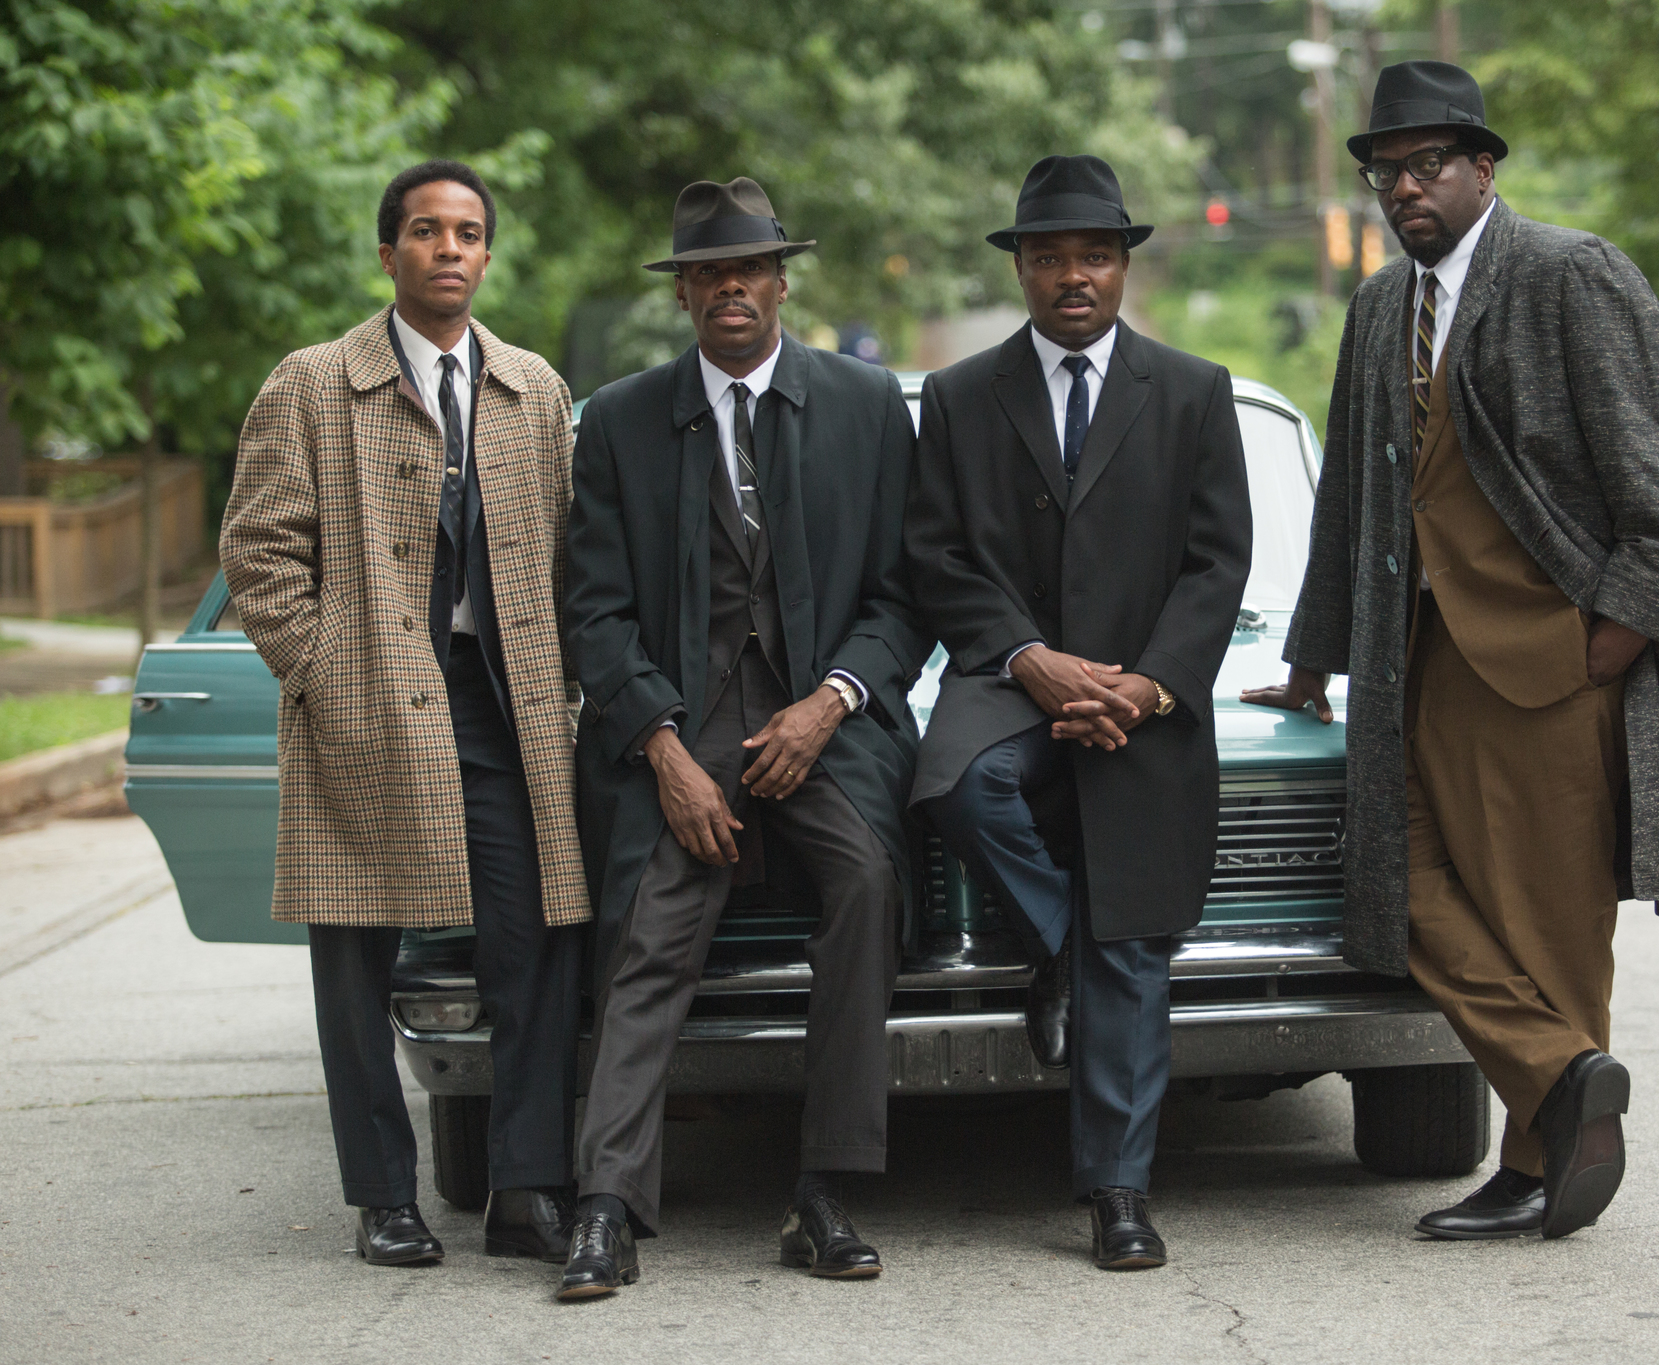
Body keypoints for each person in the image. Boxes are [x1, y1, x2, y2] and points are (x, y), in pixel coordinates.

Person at [1243, 61, 1659, 1240]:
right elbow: (1353, 508)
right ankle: (1566, 1079)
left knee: (1549, 919)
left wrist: (1610, 639)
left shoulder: (1571, 275)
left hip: (1548, 662)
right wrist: (1318, 660)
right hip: (1410, 664)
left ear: (1483, 167)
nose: (1404, 189)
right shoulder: (1380, 306)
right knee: (1394, 890)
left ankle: (1537, 1172)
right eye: (1385, 172)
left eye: (1427, 166)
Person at [556, 178, 927, 1298]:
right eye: (704, 272)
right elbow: (594, 611)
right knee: (648, 924)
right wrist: (662, 752)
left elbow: (906, 593)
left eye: (747, 268)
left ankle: (822, 1191)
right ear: (683, 295)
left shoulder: (865, 405)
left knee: (866, 880)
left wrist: (832, 702)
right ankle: (605, 1206)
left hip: (823, 719)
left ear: (780, 281)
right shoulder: (620, 419)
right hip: (683, 722)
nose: (728, 287)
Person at [220, 160, 589, 1267]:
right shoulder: (312, 381)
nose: (449, 250)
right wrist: (327, 673)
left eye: (468, 232)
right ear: (388, 254)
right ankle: (385, 1197)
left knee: (536, 944)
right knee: (354, 960)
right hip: (366, 700)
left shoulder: (534, 389)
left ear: (487, 253)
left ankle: (526, 1187)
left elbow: (573, 556)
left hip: (504, 706)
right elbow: (257, 552)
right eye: (425, 231)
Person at [908, 155, 1252, 1270]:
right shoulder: (960, 397)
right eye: (1048, 256)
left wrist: (1144, 687)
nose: (1071, 276)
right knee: (956, 785)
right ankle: (1049, 949)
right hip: (1006, 684)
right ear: (1020, 267)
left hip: (1143, 698)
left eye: (1091, 255)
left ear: (1120, 266)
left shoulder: (1194, 391)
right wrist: (1031, 661)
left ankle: (1118, 1194)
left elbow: (1215, 565)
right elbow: (936, 557)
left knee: (1131, 943)